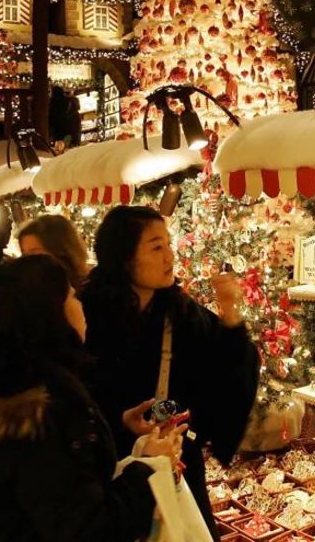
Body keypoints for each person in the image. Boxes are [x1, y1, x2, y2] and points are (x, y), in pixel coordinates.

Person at [0, 256, 185, 542]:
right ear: (49, 315)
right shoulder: (43, 413)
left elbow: (50, 486)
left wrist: (116, 429)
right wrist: (148, 468)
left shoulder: (0, 387)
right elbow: (90, 529)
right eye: (71, 296)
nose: (81, 306)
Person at [78, 205, 260, 539]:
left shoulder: (180, 311)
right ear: (123, 255)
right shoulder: (87, 312)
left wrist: (231, 314)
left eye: (169, 244)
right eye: (156, 246)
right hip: (111, 466)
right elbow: (76, 397)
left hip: (173, 461)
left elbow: (226, 369)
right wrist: (118, 424)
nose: (169, 256)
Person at [17, 214, 90, 290]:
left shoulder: (89, 292)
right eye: (25, 255)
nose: (27, 261)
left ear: (61, 251)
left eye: (35, 253)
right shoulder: (29, 290)